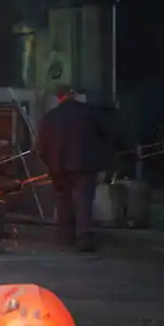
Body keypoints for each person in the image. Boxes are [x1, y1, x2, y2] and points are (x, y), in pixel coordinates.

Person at [35, 83, 118, 251]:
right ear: (73, 94)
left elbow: (41, 148)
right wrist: (105, 158)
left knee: (63, 201)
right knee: (84, 201)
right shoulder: (89, 112)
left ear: (59, 97)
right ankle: (84, 238)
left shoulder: (50, 117)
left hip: (59, 168)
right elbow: (108, 135)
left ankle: (65, 236)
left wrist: (51, 165)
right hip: (84, 166)